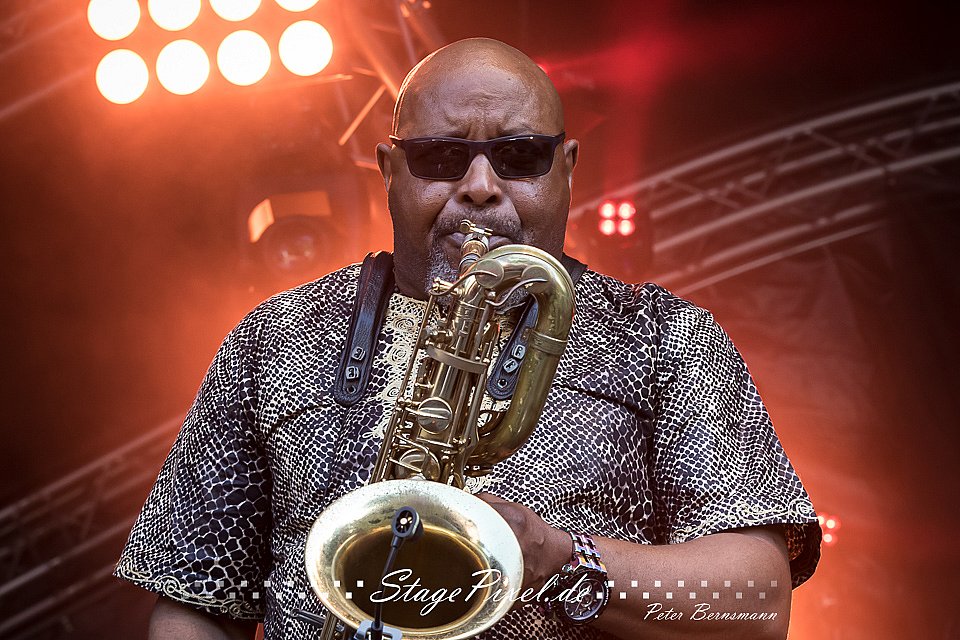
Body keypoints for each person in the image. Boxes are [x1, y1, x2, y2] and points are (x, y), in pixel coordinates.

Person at [116, 38, 820, 640]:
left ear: (568, 169)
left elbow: (757, 606)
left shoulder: (665, 337)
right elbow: (192, 602)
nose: (480, 186)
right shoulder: (272, 339)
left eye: (520, 156)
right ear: (389, 171)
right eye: (441, 157)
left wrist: (553, 558)